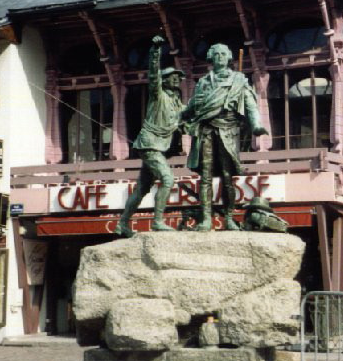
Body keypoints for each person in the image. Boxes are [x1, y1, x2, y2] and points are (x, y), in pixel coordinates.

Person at [181, 43, 268, 231]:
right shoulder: (203, 82)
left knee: (227, 176)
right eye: (216, 54)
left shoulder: (239, 80)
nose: (220, 56)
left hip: (228, 131)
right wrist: (182, 114)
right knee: (205, 176)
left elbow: (250, 104)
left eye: (223, 53)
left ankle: (229, 217)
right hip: (206, 131)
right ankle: (205, 219)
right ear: (211, 58)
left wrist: (256, 125)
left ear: (229, 57)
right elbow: (191, 108)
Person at [115, 35, 184, 236]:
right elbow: (153, 75)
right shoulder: (158, 94)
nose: (177, 79)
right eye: (173, 76)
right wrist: (155, 52)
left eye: (178, 77)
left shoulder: (176, 102)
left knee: (142, 188)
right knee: (168, 179)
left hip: (158, 146)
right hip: (150, 144)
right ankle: (158, 221)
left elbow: (186, 117)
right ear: (166, 79)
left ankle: (122, 223)